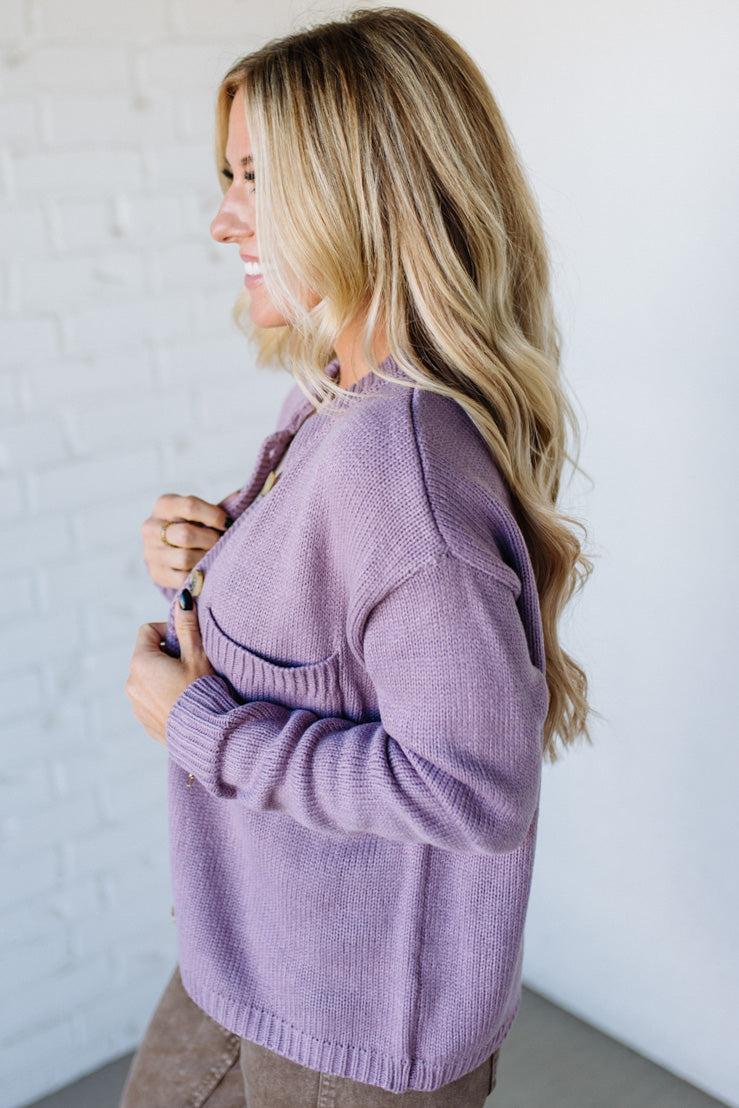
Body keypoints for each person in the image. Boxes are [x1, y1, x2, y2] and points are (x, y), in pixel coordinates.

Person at [123, 7, 594, 1106]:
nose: (223, 220)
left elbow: (469, 789)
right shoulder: (339, 397)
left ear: (362, 187)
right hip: (254, 956)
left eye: (255, 178)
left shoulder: (402, 459)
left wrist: (197, 726)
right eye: (227, 177)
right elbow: (326, 628)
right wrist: (202, 556)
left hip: (348, 1033)